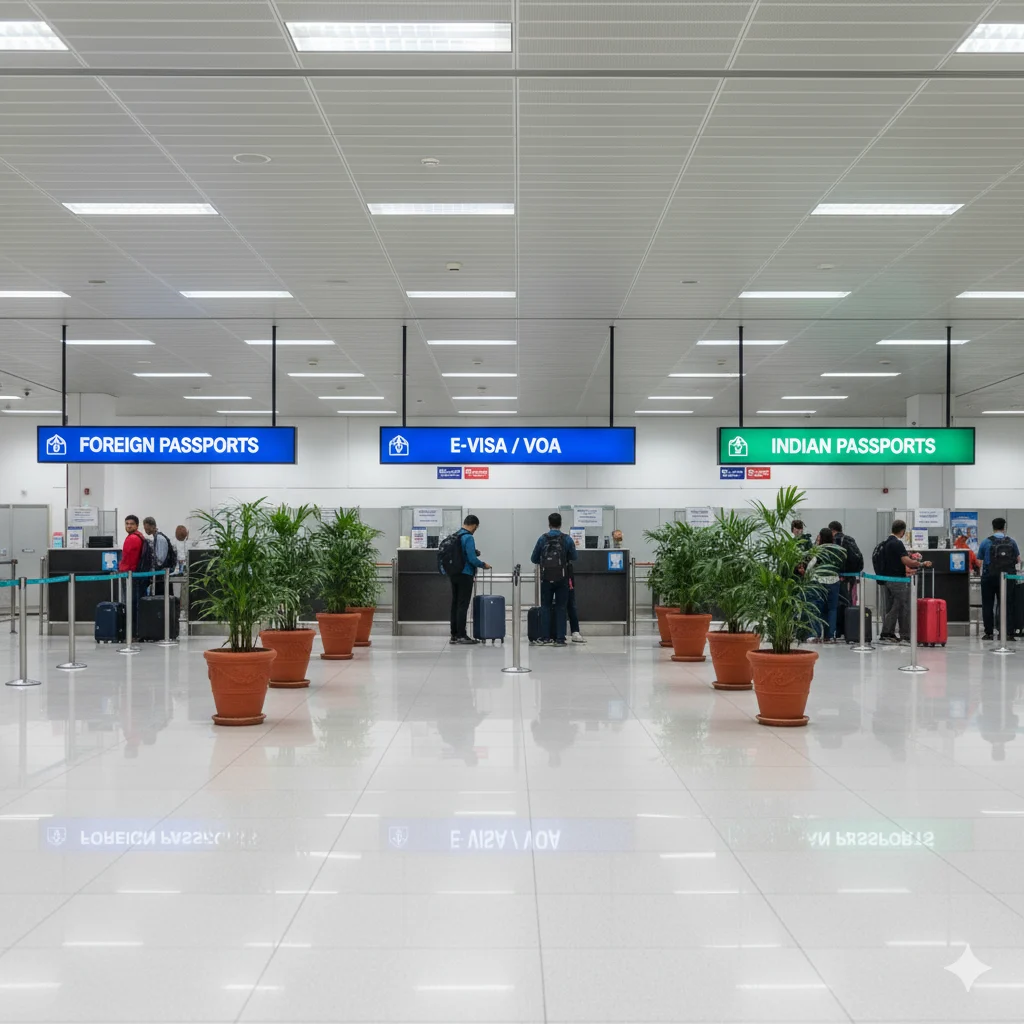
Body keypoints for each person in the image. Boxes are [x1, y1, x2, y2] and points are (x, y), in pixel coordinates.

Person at [879, 520, 932, 645]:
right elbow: (906, 561)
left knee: (894, 607)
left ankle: (888, 634)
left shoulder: (886, 543)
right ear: (902, 531)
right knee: (904, 606)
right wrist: (922, 563)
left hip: (887, 580)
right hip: (898, 580)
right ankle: (905, 636)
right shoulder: (897, 543)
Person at [531, 512, 578, 647]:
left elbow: (533, 558)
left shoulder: (542, 539)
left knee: (545, 607)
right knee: (561, 607)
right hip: (562, 577)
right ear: (560, 523)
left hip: (546, 578)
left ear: (549, 523)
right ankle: (560, 639)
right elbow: (574, 557)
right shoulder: (567, 539)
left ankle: (545, 637)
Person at [445, 515, 490, 645]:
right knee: (462, 604)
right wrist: (483, 565)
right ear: (474, 525)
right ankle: (462, 635)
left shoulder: (455, 536)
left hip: (454, 574)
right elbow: (471, 559)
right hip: (465, 574)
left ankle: (454, 634)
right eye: (476, 527)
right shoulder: (468, 537)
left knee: (455, 604)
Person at [977, 518, 1021, 642]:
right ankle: (1008, 633)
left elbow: (979, 561)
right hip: (1007, 577)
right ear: (1004, 527)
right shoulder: (1012, 542)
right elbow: (1018, 560)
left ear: (993, 527)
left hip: (989, 577)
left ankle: (989, 633)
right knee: (1007, 604)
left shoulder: (986, 542)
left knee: (988, 604)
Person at [807, 527, 843, 642]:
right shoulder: (838, 549)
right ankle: (830, 635)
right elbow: (841, 563)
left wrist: (807, 576)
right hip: (834, 581)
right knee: (832, 609)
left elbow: (811, 565)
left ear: (821, 537)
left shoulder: (818, 549)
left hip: (819, 581)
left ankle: (815, 635)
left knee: (816, 608)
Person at [119, 515, 145, 637]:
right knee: (136, 604)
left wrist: (121, 570)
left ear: (136, 525)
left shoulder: (132, 539)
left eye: (131, 524)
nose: (128, 526)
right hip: (138, 576)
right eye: (127, 523)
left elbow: (128, 559)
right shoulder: (140, 536)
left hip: (131, 576)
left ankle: (132, 632)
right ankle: (137, 631)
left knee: (131, 604)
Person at [142, 516, 176, 595]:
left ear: (153, 526)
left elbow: (160, 559)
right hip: (161, 575)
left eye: (147, 528)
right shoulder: (157, 537)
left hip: (162, 576)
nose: (145, 530)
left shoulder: (160, 538)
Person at [566, 561, 586, 644]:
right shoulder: (568, 547)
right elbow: (574, 556)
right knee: (571, 606)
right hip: (566, 576)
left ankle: (557, 634)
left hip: (549, 577)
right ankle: (575, 632)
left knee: (558, 607)